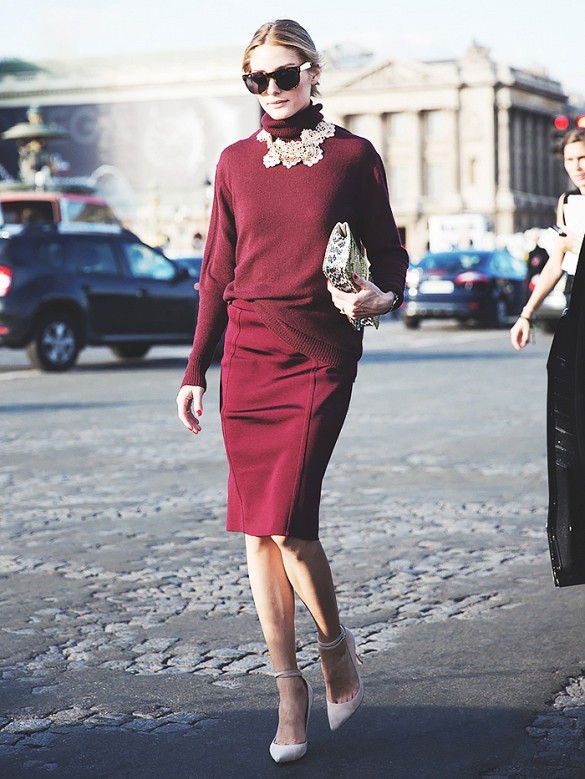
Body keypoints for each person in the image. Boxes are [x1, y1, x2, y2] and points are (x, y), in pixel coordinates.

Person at [176, 19, 408, 763]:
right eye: (256, 80)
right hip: (247, 351)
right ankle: (288, 687)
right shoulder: (233, 162)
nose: (270, 91)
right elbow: (216, 273)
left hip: (319, 352)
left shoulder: (352, 155)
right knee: (256, 528)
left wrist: (386, 295)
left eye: (282, 76)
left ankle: (334, 647)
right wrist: (193, 370)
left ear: (312, 72)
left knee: (287, 521)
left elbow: (392, 250)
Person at [510, 128, 585, 350]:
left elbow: (572, 246)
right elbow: (556, 263)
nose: (576, 166)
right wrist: (527, 314)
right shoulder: (567, 201)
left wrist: (579, 247)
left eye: (582, 158)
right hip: (576, 297)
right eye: (570, 159)